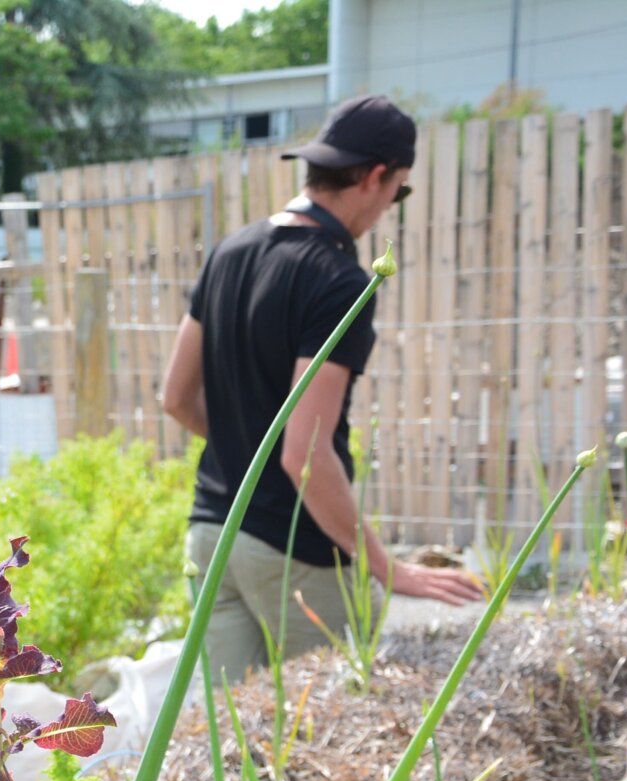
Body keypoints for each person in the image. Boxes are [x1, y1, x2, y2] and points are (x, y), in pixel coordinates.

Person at [160, 93, 482, 681]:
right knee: (331, 741)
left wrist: (243, 440)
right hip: (294, 554)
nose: (389, 208)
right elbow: (304, 453)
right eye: (399, 191)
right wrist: (388, 568)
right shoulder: (338, 281)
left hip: (212, 538)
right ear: (376, 176)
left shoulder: (230, 253)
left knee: (228, 745)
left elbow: (176, 398)